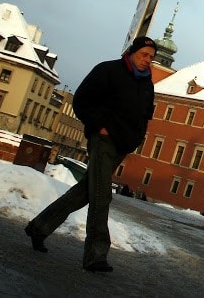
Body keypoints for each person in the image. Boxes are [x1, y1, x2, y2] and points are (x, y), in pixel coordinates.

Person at [24, 36, 158, 272]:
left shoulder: (146, 83)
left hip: (122, 146)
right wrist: (100, 127)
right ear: (132, 53)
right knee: (101, 195)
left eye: (151, 57)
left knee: (86, 191)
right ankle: (96, 254)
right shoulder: (108, 71)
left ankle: (39, 227)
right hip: (103, 141)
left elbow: (145, 116)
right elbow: (82, 101)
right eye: (144, 55)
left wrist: (136, 139)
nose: (148, 60)